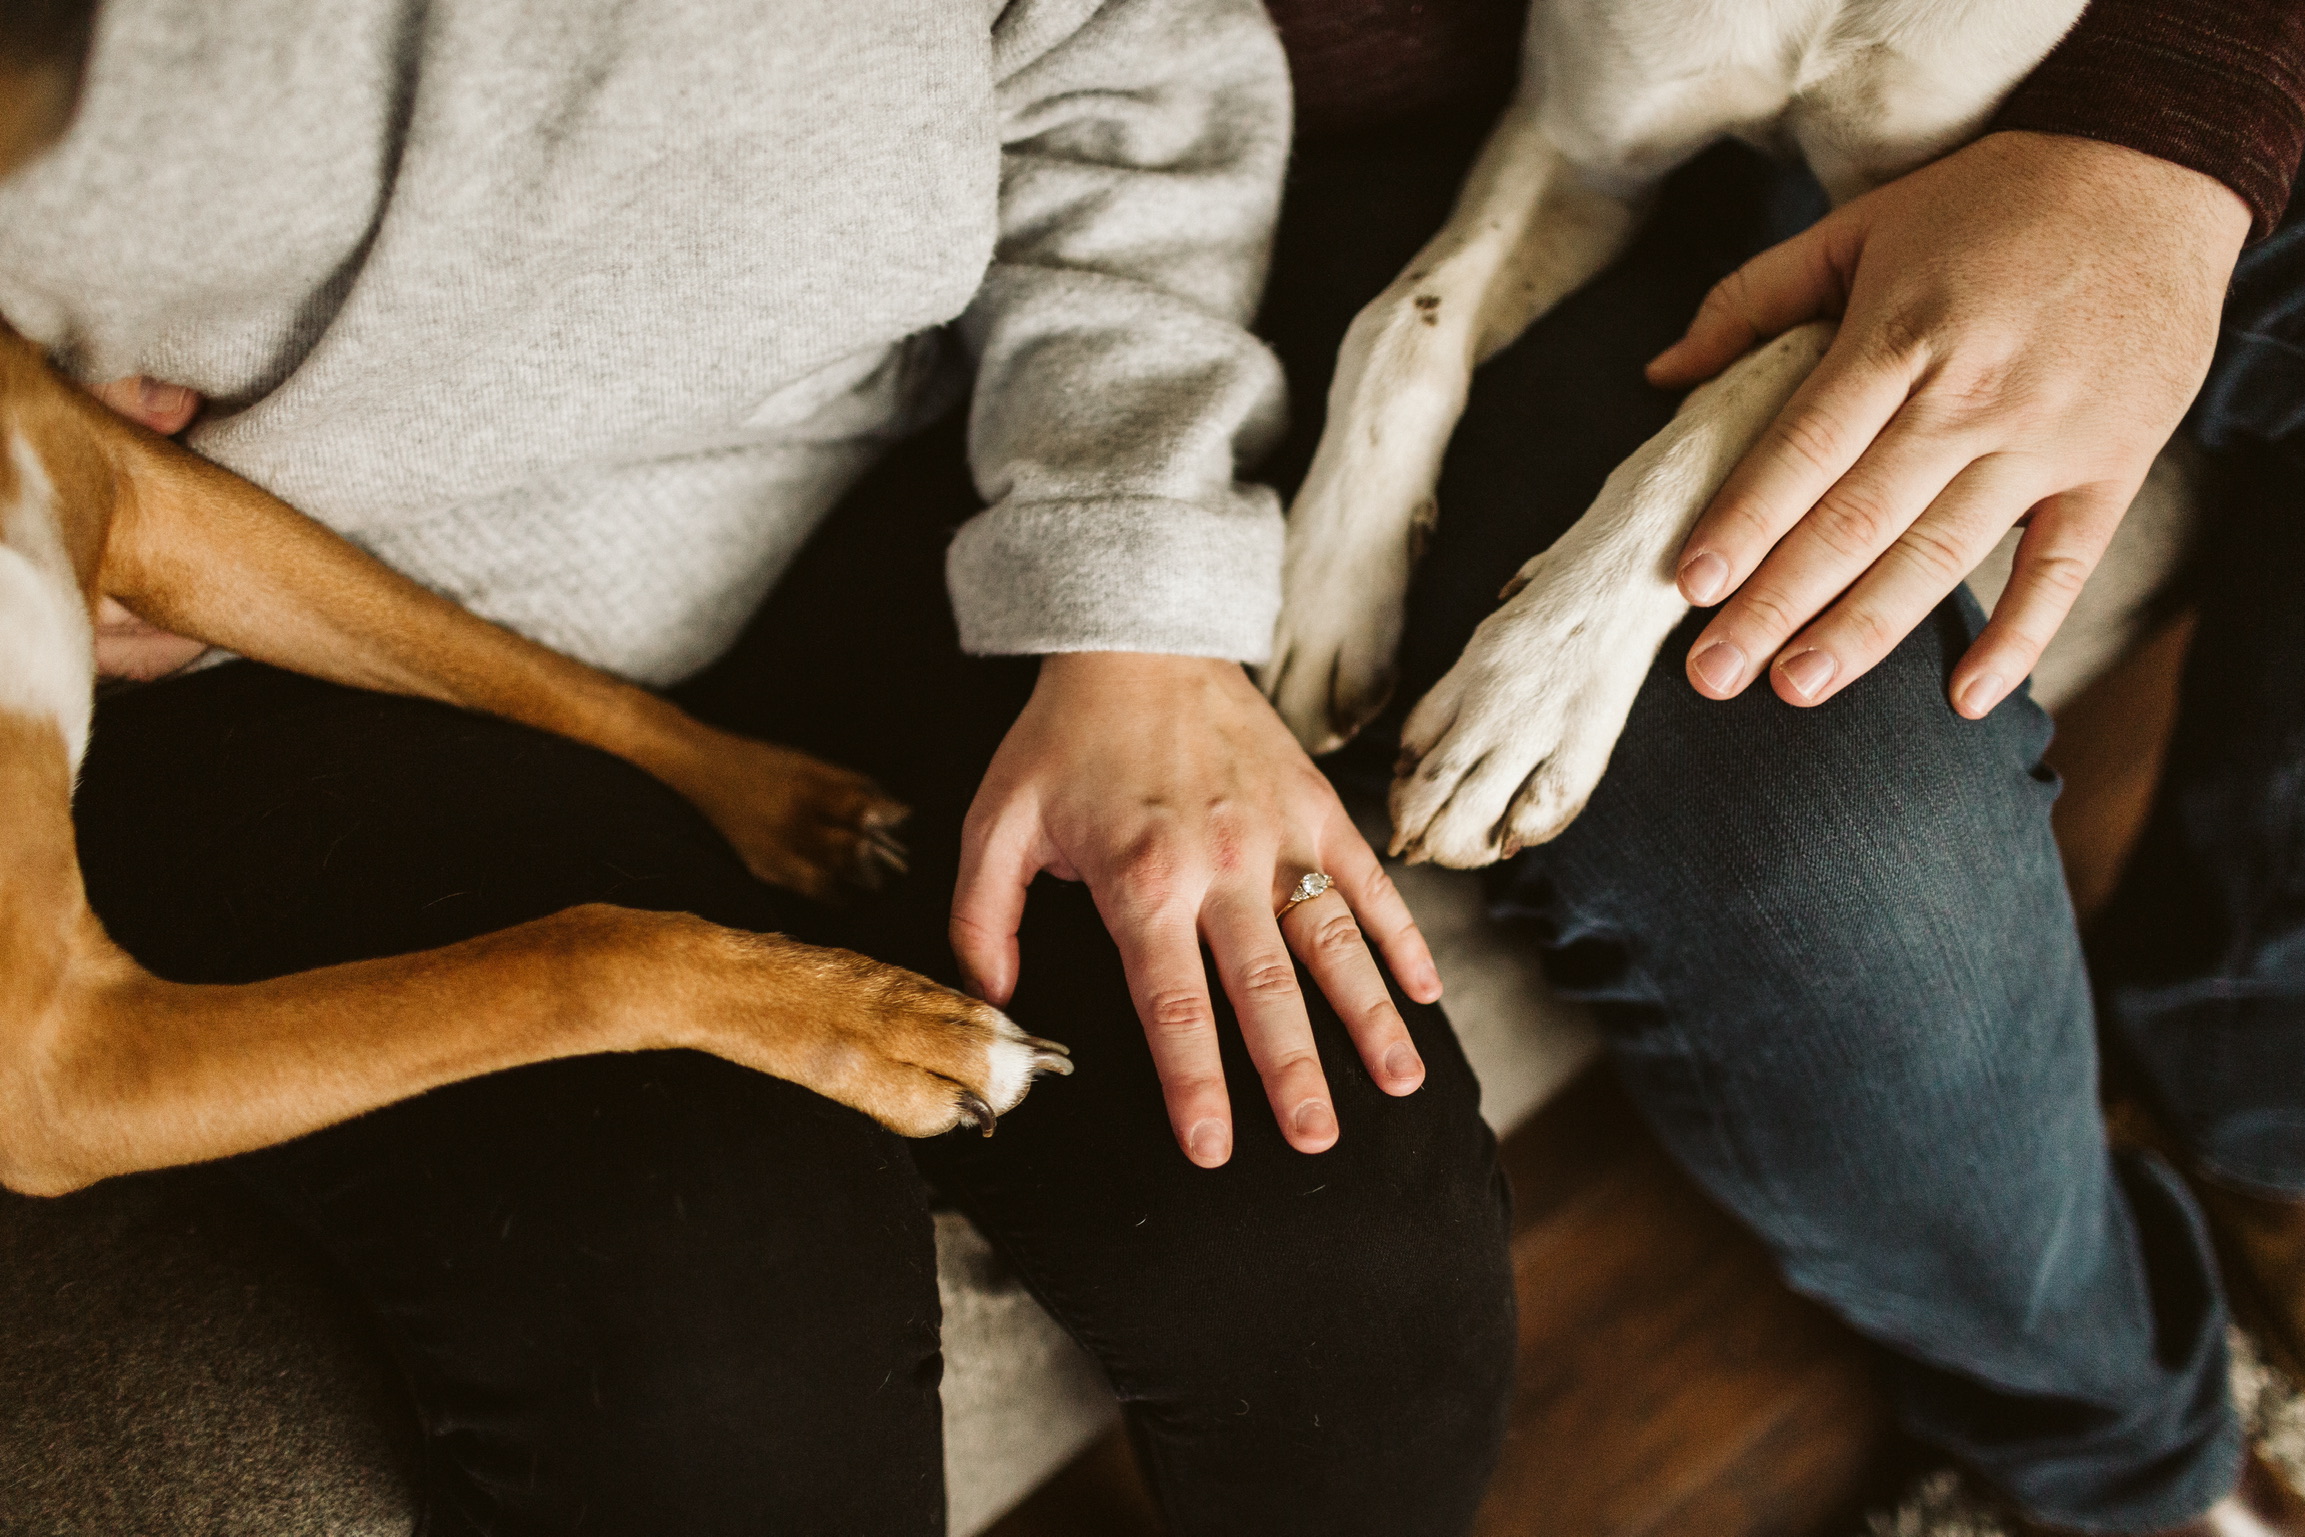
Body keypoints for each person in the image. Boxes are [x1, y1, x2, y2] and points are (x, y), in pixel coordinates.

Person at [0, 2, 1517, 1533]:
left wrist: (1139, 619)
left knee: (1333, 1212)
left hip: (870, 479)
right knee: (715, 1320)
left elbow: (1125, 53)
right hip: (255, 656)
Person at [1257, 0, 2305, 1531]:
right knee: (1853, 866)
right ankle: (2119, 1462)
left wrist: (2179, 125)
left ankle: (2257, 1101)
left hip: (2113, 65)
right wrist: (1391, 396)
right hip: (1337, 142)